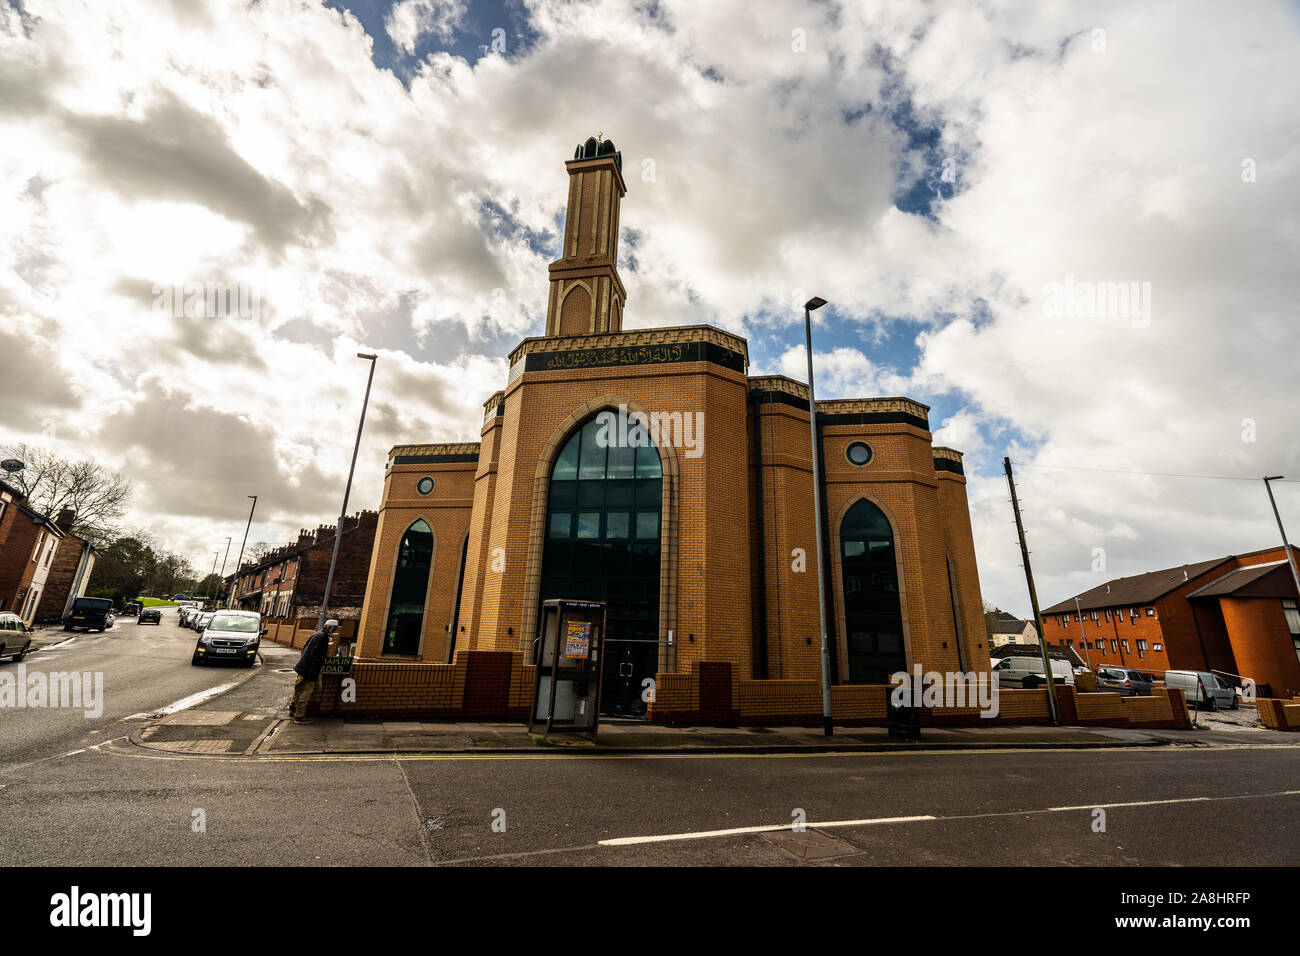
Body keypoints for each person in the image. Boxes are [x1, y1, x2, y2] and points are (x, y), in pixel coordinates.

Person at [290, 619, 336, 723]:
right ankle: (299, 716)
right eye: (334, 628)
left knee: (312, 688)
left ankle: (294, 707)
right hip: (310, 669)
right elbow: (315, 655)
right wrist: (312, 671)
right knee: (306, 691)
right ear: (330, 627)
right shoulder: (322, 637)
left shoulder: (319, 634)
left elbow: (306, 647)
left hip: (308, 667)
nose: (335, 630)